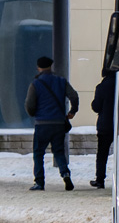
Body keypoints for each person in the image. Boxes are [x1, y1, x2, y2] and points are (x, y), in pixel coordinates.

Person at [25, 56, 79, 191]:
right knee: (59, 151)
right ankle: (65, 174)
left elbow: (30, 104)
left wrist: (33, 114)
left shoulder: (35, 83)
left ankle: (39, 182)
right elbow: (74, 96)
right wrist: (72, 111)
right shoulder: (61, 81)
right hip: (59, 123)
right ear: (51, 66)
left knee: (38, 153)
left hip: (42, 123)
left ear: (38, 67)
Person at [90, 68, 116, 189]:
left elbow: (96, 106)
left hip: (105, 125)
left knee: (102, 154)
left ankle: (100, 180)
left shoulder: (101, 87)